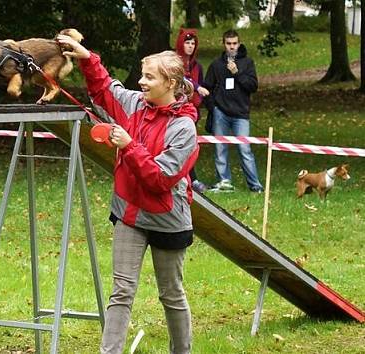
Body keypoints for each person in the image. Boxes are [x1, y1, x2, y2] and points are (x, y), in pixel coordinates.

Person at [57, 34, 199, 354]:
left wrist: (129, 146)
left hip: (167, 219)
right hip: (129, 214)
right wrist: (85, 58)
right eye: (142, 75)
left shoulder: (184, 130)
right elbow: (107, 91)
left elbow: (160, 179)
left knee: (171, 294)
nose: (142, 82)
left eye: (149, 77)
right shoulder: (135, 104)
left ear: (171, 82)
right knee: (121, 292)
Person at [202, 29, 263, 193]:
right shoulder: (216, 64)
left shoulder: (247, 62)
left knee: (245, 149)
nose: (232, 47)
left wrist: (237, 73)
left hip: (241, 113)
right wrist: (213, 107)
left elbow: (253, 86)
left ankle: (255, 185)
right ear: (224, 44)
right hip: (220, 112)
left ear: (239, 43)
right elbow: (206, 88)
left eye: (235, 43)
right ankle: (224, 182)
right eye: (228, 44)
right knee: (220, 149)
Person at [175, 28, 210, 193]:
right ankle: (188, 178)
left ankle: (191, 178)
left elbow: (200, 85)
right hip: (175, 110)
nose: (190, 46)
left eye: (193, 43)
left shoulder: (197, 66)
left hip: (192, 112)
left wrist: (199, 97)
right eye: (187, 43)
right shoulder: (174, 62)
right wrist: (196, 87)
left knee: (191, 145)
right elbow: (180, 79)